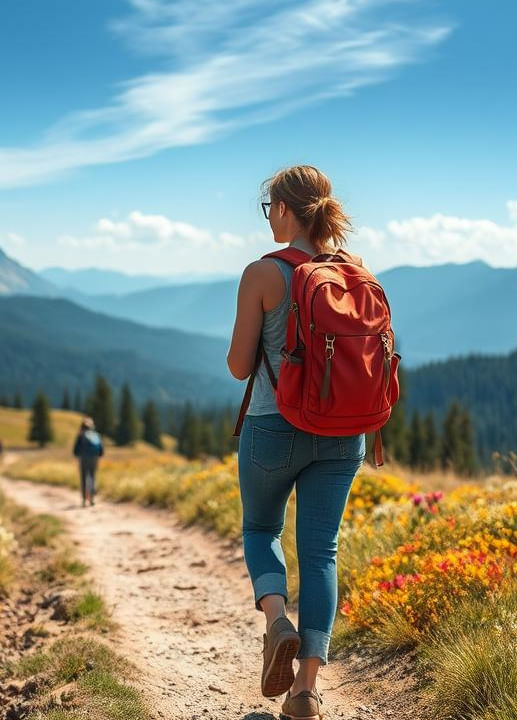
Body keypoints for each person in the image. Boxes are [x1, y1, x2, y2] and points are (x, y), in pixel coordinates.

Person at [226, 165, 366, 720]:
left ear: (285, 209)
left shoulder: (263, 273)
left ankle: (277, 621)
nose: (269, 221)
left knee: (261, 529)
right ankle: (306, 690)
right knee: (322, 552)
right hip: (343, 434)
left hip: (274, 427)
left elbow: (240, 367)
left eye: (270, 210)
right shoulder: (355, 271)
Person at [72, 417, 103, 507]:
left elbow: (75, 450)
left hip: (84, 459)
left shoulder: (81, 435)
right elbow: (101, 450)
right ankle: (92, 499)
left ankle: (84, 500)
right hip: (94, 459)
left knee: (84, 478)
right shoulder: (95, 435)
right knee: (92, 478)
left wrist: (79, 455)